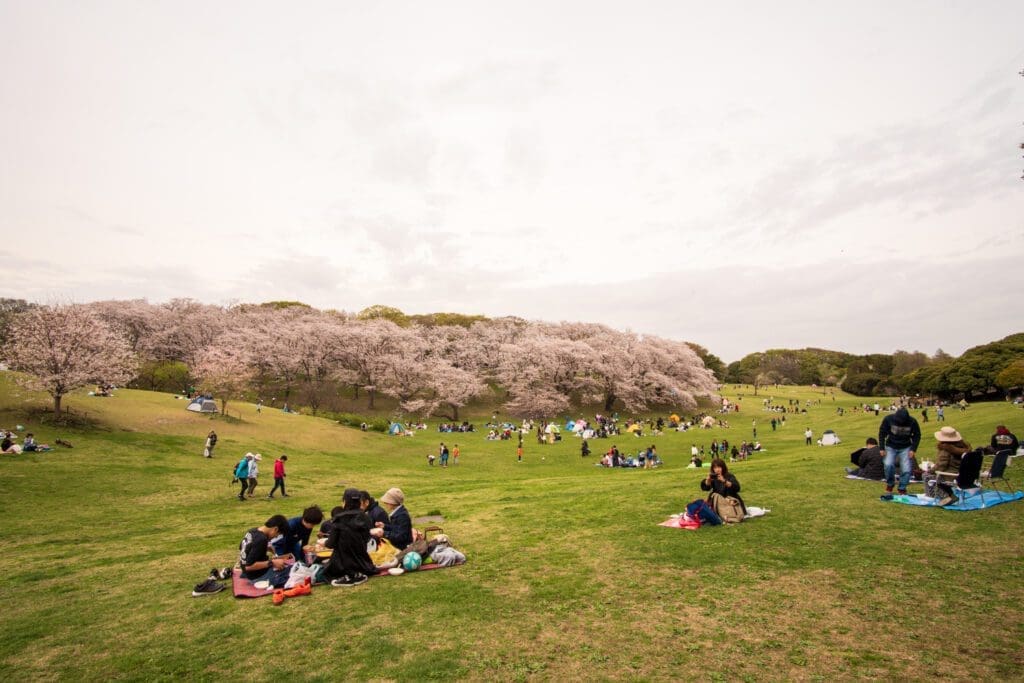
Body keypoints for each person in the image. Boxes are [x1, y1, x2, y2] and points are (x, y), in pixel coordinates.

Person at [323, 488, 383, 587]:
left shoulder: (339, 519)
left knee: (324, 566)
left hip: (341, 563)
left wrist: (323, 542)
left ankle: (348, 576)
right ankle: (356, 574)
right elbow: (367, 537)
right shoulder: (365, 517)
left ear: (345, 502)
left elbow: (331, 544)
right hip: (362, 561)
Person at [238, 514, 291, 588]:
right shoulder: (261, 539)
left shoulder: (252, 531)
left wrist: (265, 547)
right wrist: (272, 563)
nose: (275, 537)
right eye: (277, 534)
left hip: (246, 573)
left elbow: (243, 547)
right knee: (292, 571)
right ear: (275, 529)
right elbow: (249, 566)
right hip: (257, 576)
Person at [878, 407, 921, 495]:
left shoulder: (912, 421)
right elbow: (882, 433)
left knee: (906, 469)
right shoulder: (888, 419)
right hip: (891, 445)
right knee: (888, 465)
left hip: (906, 446)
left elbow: (917, 435)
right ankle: (890, 484)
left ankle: (902, 488)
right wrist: (882, 448)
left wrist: (913, 449)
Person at [933, 426, 972, 506]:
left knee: (927, 475)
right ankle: (948, 495)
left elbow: (941, 466)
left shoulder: (945, 450)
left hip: (952, 476)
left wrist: (930, 470)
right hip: (966, 476)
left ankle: (945, 496)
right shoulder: (964, 448)